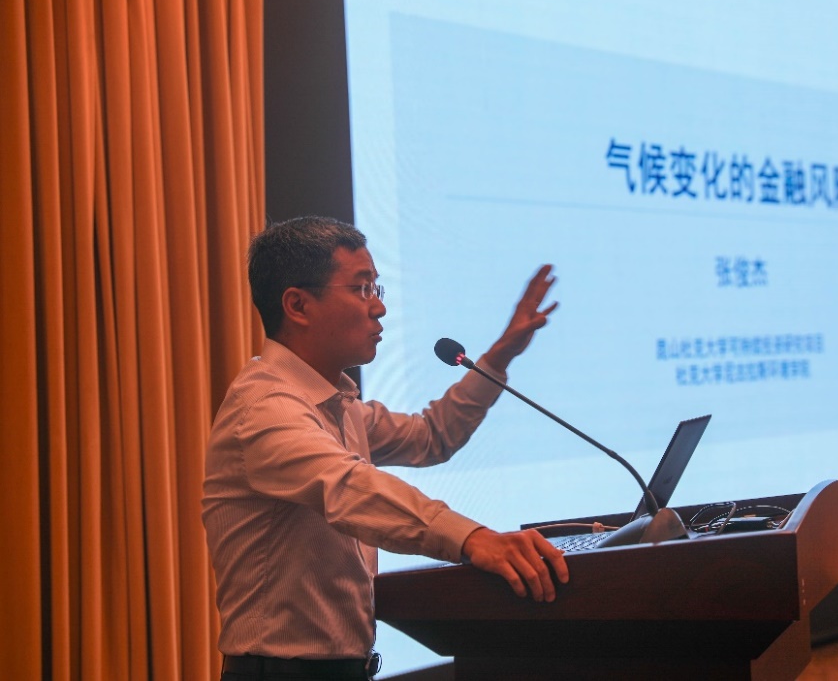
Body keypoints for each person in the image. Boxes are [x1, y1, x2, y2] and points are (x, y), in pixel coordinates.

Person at [202, 216, 569, 681]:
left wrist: (499, 356)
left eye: (377, 289)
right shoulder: (264, 409)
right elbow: (351, 488)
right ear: (297, 305)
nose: (379, 308)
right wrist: (474, 539)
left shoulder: (338, 407)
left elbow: (430, 436)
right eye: (362, 289)